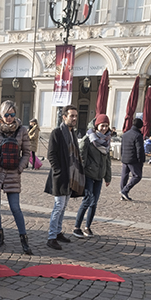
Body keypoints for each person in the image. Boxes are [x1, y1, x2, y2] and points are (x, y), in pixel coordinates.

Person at [0, 99, 33, 253]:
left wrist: (20, 167)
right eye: (6, 114)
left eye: (12, 114)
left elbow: (27, 153)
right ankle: (0, 235)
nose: (9, 117)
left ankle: (24, 238)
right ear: (1, 115)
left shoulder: (22, 130)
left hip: (13, 173)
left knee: (15, 207)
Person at [45, 105, 83, 249]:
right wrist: (58, 171)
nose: (74, 119)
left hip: (71, 175)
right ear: (64, 117)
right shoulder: (57, 133)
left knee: (64, 205)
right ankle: (51, 237)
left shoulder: (72, 133)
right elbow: (51, 154)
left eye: (75, 116)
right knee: (58, 206)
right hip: (60, 176)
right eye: (71, 116)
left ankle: (58, 232)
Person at [73, 114, 112, 238]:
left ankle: (87, 227)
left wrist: (108, 177)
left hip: (99, 176)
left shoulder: (107, 139)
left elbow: (107, 160)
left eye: (106, 126)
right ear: (97, 126)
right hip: (88, 174)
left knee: (94, 202)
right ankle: (76, 227)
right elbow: (81, 157)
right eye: (102, 126)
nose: (104, 128)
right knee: (87, 200)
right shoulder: (88, 138)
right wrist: (81, 173)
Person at [118, 117, 144, 201]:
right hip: (133, 159)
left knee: (124, 176)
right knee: (137, 176)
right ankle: (125, 190)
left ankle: (123, 194)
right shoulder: (138, 135)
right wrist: (141, 160)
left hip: (125, 158)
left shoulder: (125, 134)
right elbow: (139, 149)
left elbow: (122, 147)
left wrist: (122, 156)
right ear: (141, 126)